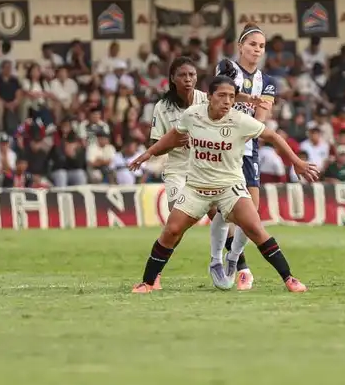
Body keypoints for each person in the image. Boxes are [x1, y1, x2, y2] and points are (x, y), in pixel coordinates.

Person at [127, 75, 319, 294]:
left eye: (231, 96)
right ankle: (148, 282)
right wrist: (148, 154)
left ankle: (289, 279)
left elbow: (273, 137)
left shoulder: (240, 120)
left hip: (230, 188)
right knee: (171, 231)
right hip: (196, 188)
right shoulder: (192, 115)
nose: (227, 101)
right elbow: (172, 137)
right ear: (209, 97)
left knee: (255, 228)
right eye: (222, 96)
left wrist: (297, 162)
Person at [211, 24, 278, 291]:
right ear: (240, 46)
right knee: (226, 209)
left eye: (261, 46)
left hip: (248, 146)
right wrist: (249, 100)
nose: (257, 50)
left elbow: (262, 116)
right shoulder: (226, 67)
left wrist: (250, 120)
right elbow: (222, 96)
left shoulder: (268, 82)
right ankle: (238, 266)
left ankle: (233, 257)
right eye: (252, 44)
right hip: (222, 144)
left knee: (252, 210)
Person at [147, 57, 210, 287]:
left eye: (192, 75)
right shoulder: (162, 107)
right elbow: (155, 144)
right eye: (183, 75)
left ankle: (236, 267)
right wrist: (174, 141)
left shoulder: (206, 99)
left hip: (206, 169)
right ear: (172, 78)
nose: (188, 79)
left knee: (221, 217)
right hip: (177, 170)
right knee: (176, 223)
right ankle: (156, 273)